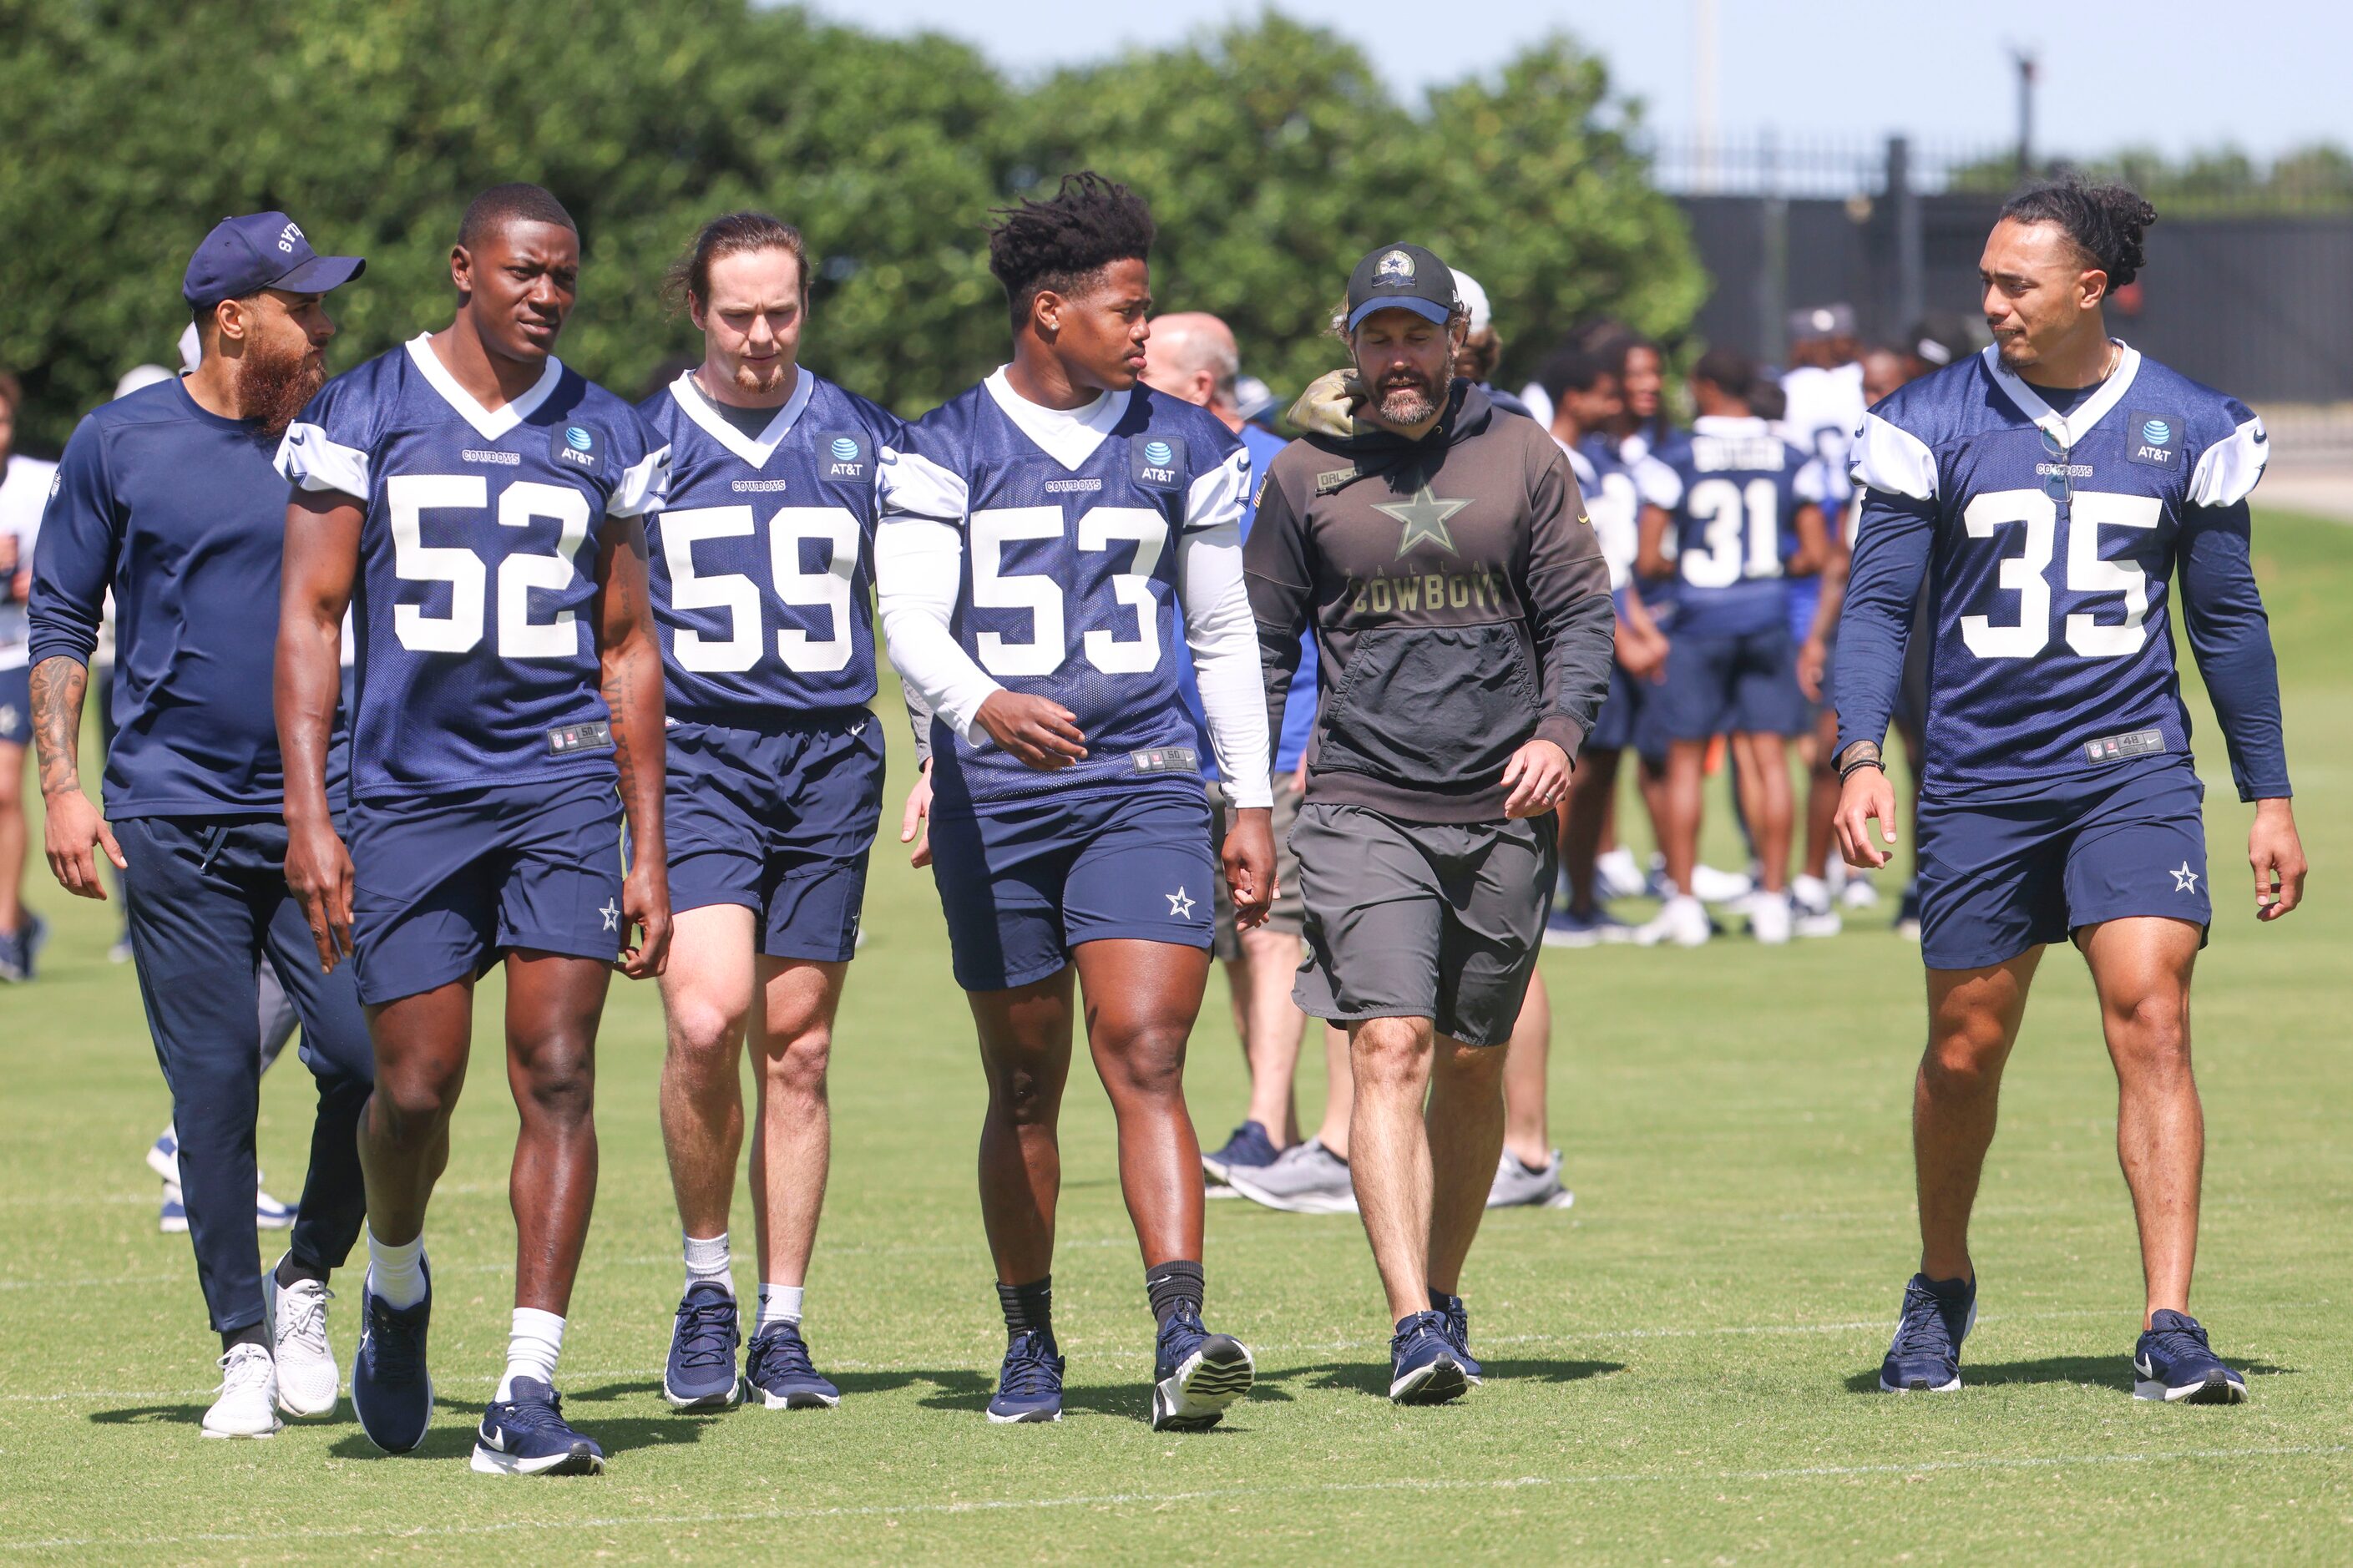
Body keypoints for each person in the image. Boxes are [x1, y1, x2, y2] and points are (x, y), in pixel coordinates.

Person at [1834, 177, 2304, 1403]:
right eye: (1985, 279)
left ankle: (2168, 1318)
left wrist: (2268, 792)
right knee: (1965, 1045)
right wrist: (1854, 754)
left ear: (2089, 287)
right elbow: (1877, 604)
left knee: (2150, 1009)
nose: (1988, 302)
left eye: (2013, 282)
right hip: (1981, 780)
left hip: (2128, 770)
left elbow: (2227, 622)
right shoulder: (1926, 417)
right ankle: (1940, 1282)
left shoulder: (2190, 423)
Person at [275, 184, 671, 1474]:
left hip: (557, 786)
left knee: (557, 1069)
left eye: (563, 275)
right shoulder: (363, 409)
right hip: (408, 793)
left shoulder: (607, 428)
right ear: (462, 269)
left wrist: (646, 838)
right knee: (413, 1085)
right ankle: (393, 1280)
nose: (546, 295)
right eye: (522, 272)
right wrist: (311, 811)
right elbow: (310, 618)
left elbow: (625, 641)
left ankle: (527, 1386)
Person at [875, 173, 1273, 1431]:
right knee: (1027, 1080)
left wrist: (1248, 799)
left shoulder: (1186, 442)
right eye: (1126, 309)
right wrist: (983, 704)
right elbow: (909, 624)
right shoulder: (943, 446)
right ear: (1049, 311)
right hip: (999, 793)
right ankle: (1030, 1337)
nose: (1146, 332)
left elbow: (1219, 631)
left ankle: (1179, 1331)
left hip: (1142, 779)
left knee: (1146, 1049)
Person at [1245, 242, 1612, 1403]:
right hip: (1360, 800)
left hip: (1502, 803)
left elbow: (1579, 614)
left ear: (1454, 339)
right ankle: (1409, 1318)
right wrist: (1250, 789)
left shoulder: (1521, 451)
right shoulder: (1303, 472)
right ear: (1348, 345)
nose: (1399, 357)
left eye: (1418, 334)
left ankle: (1443, 1287)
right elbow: (1254, 643)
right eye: (1378, 335)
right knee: (1387, 1043)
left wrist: (1558, 730)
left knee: (1469, 1060)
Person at [28, 213, 374, 1439]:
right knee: (215, 1088)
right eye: (305, 309)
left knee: (374, 1062)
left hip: (320, 817)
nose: (326, 329)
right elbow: (63, 616)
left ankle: (306, 1285)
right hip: (170, 815)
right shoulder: (118, 441)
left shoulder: (342, 443)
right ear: (236, 319)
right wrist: (63, 789)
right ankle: (240, 1346)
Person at [636, 213, 903, 1414]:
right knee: (705, 1019)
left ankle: (783, 1323)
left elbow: (928, 607)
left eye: (781, 311)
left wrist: (946, 749)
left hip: (830, 759)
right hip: (693, 758)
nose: (759, 336)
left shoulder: (862, 438)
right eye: (737, 313)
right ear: (695, 307)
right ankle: (706, 1285)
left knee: (796, 1048)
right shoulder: (640, 440)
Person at [1138, 311, 1317, 1189]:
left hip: (1278, 743)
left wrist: (1320, 728)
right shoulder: (1144, 464)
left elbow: (1329, 612)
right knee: (1236, 945)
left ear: (1201, 386)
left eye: (1149, 373)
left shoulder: (1285, 471)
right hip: (1175, 747)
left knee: (1277, 935)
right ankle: (1271, 1131)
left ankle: (1261, 1124)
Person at [1632, 347, 1829, 947]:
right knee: (1770, 761)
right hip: (1766, 616)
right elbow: (1816, 555)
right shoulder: (1791, 456)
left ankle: (1685, 903)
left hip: (1699, 621)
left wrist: (1685, 568)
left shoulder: (1675, 455)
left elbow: (1646, 557)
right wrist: (1767, 567)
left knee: (1687, 762)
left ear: (1707, 387)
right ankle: (1773, 898)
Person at [1541, 347, 1667, 948]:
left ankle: (1585, 901)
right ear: (1574, 396)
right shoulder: (1546, 460)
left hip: (1613, 632)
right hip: (1574, 639)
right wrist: (1623, 635)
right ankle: (1543, 905)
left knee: (1603, 773)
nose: (1615, 406)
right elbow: (1571, 573)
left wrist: (1639, 629)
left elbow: (1613, 563)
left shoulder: (1594, 462)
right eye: (1605, 394)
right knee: (1569, 770)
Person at [0, 371, 56, 981]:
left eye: (4, 420)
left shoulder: (39, 484)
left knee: (6, 788)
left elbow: (74, 562)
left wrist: (32, 582)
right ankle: (18, 912)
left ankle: (7, 934)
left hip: (15, 652)